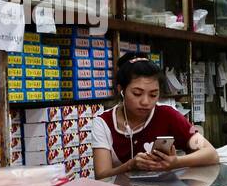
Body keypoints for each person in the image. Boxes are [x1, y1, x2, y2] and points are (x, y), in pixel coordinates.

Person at [90, 54, 219, 179]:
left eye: (153, 95)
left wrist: (176, 162)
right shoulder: (103, 123)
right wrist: (130, 165)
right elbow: (102, 175)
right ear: (121, 90)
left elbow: (211, 154)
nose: (145, 102)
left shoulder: (169, 115)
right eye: (137, 93)